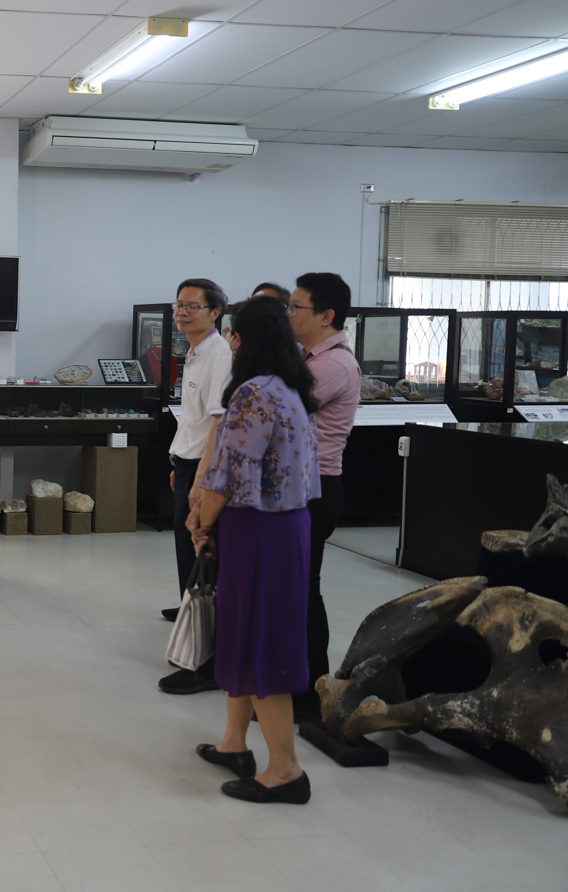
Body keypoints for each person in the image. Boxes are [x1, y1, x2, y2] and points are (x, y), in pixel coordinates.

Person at [189, 296, 320, 805]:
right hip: (284, 526)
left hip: (259, 529)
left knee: (263, 642)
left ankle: (286, 770)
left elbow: (228, 474)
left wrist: (203, 523)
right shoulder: (290, 388)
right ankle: (233, 743)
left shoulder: (253, 392)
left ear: (238, 339)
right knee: (244, 634)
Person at [288, 273, 360, 721]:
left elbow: (278, 412)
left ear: (325, 315)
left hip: (315, 488)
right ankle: (296, 683)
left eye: (296, 307)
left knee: (303, 591)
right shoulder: (308, 357)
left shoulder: (332, 365)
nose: (290, 314)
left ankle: (310, 691)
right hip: (299, 484)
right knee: (293, 589)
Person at [159, 279, 231, 696]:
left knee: (199, 552)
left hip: (202, 469)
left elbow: (219, 422)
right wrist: (178, 459)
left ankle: (203, 655)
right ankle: (189, 616)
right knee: (186, 550)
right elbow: (193, 418)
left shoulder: (218, 355)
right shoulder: (195, 352)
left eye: (192, 306)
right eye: (179, 306)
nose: (182, 313)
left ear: (215, 313)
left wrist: (203, 477)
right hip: (187, 462)